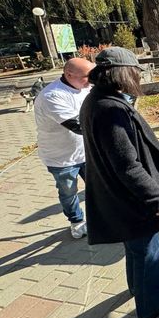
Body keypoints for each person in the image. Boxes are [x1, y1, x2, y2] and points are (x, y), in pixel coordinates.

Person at [79, 47, 159, 318]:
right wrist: (157, 199)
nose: (137, 77)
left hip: (118, 199)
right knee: (149, 250)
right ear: (123, 73)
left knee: (136, 249)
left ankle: (139, 287)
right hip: (132, 201)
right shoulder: (110, 109)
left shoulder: (96, 100)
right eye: (135, 72)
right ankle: (151, 304)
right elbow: (127, 165)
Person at [34, 58, 96, 239]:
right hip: (61, 157)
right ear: (69, 75)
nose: (91, 80)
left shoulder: (86, 87)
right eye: (87, 76)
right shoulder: (52, 96)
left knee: (98, 187)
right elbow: (78, 126)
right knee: (69, 191)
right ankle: (76, 221)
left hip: (86, 151)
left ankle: (101, 217)